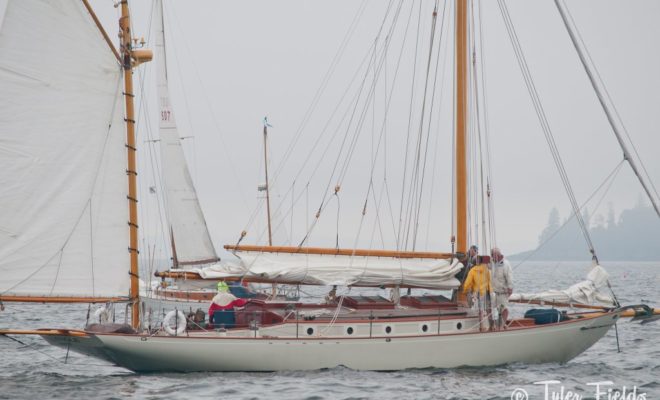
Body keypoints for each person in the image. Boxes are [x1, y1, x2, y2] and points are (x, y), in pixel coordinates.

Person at [462, 255, 492, 331]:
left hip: (478, 292)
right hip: (487, 291)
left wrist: (465, 291)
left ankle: (481, 327)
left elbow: (467, 283)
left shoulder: (473, 270)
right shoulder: (486, 269)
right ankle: (492, 325)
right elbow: (490, 280)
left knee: (481, 310)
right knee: (489, 309)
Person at [490, 247, 513, 329]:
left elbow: (509, 277)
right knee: (493, 309)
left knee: (504, 309)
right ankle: (494, 325)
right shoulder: (492, 264)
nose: (492, 257)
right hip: (494, 291)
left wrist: (510, 288)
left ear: (497, 255)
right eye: (491, 255)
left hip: (503, 292)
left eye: (492, 255)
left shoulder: (505, 264)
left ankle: (501, 326)